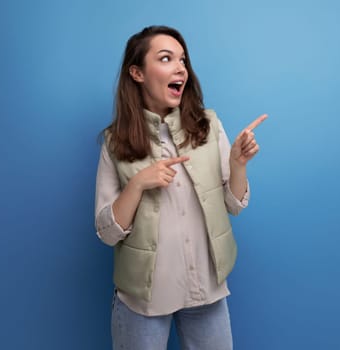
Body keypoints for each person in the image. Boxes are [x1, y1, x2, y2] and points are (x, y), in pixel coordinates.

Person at [94, 25, 266, 350]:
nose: (179, 68)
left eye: (182, 60)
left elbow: (234, 203)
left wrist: (238, 165)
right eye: (165, 58)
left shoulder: (208, 125)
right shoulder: (115, 142)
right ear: (137, 73)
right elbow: (107, 233)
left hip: (207, 290)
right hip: (142, 301)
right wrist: (138, 185)